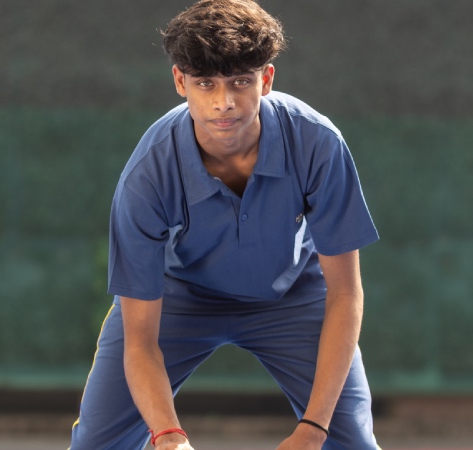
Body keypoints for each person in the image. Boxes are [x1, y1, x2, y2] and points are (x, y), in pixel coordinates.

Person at [69, 0, 380, 448]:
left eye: (240, 81)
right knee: (95, 444)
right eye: (205, 83)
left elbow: (346, 293)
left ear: (266, 79)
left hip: (292, 293)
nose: (224, 103)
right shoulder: (148, 174)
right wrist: (169, 436)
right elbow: (139, 340)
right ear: (180, 82)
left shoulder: (318, 143)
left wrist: (313, 430)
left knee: (350, 442)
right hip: (179, 296)